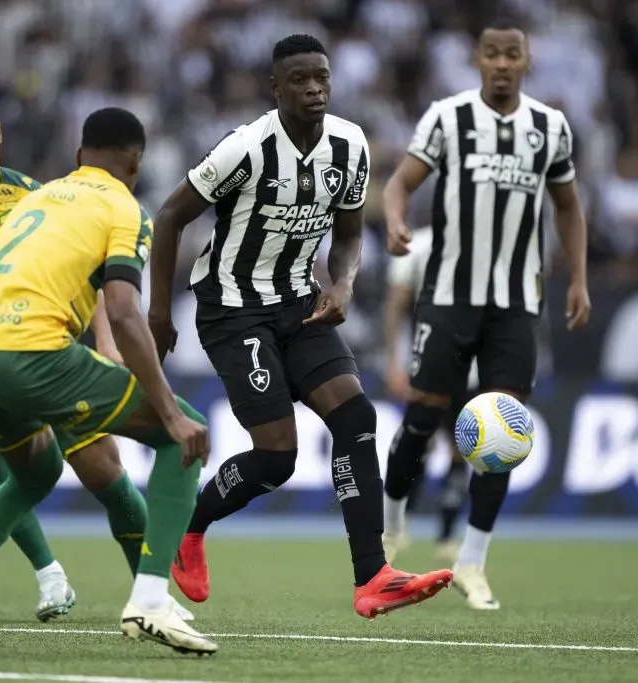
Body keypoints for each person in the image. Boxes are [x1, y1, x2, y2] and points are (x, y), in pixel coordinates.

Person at [0, 107, 217, 655]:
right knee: (186, 431)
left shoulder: (37, 197)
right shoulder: (124, 208)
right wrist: (168, 408)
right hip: (33, 352)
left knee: (36, 470)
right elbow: (124, 310)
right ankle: (151, 601)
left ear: (78, 157)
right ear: (136, 162)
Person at [148, 33, 452, 619]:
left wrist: (343, 284)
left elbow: (348, 234)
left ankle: (374, 577)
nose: (313, 88)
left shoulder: (350, 144)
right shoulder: (246, 148)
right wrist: (160, 315)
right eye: (299, 79)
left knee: (357, 416)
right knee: (278, 456)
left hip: (299, 303)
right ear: (276, 86)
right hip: (232, 308)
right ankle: (185, 529)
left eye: (322, 78)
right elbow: (169, 217)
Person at [380, 19, 591, 610]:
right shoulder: (448, 117)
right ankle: (392, 528)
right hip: (449, 294)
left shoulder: (549, 128)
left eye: (512, 55)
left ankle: (472, 561)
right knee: (421, 420)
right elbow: (401, 183)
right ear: (478, 59)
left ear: (526, 62)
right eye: (492, 54)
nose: (502, 63)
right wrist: (396, 220)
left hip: (516, 304)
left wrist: (576, 277)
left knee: (504, 433)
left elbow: (568, 207)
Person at [382, 226, 474, 564]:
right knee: (420, 439)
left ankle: (448, 534)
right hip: (427, 360)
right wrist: (394, 361)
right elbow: (396, 305)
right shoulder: (419, 244)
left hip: (471, 365)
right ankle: (399, 521)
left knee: (462, 445)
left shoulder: (484, 245)